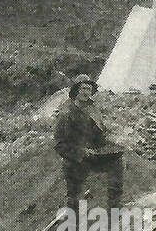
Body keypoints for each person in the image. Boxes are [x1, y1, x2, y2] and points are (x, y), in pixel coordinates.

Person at [53, 74, 124, 213]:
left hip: (92, 157)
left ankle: (114, 207)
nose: (86, 92)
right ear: (76, 91)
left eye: (89, 89)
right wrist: (81, 151)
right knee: (75, 197)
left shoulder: (92, 112)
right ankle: (72, 222)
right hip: (75, 159)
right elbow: (60, 145)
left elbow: (99, 138)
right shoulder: (66, 114)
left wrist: (110, 144)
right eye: (83, 88)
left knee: (117, 161)